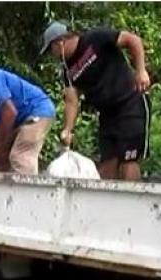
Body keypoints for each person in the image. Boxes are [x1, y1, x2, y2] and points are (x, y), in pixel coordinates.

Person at [40, 21, 151, 181]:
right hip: (107, 115)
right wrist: (68, 129)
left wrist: (141, 70)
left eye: (51, 50)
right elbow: (72, 100)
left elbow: (132, 40)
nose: (53, 56)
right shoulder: (67, 71)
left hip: (129, 103)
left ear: (59, 43)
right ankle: (105, 204)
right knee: (107, 167)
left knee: (128, 161)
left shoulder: (95, 38)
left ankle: (133, 203)